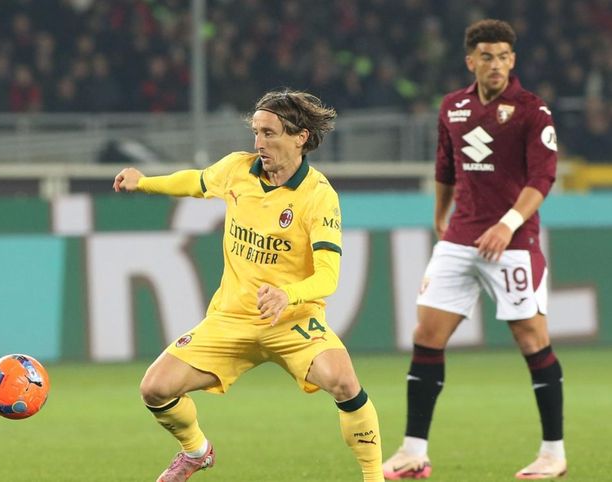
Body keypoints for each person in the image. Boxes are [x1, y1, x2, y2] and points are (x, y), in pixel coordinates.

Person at [113, 89, 384, 482]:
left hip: (292, 320)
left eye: (269, 133)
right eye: (256, 132)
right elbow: (196, 182)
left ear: (300, 137)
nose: (259, 143)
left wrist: (287, 294)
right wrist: (145, 182)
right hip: (232, 319)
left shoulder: (319, 197)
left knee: (343, 382)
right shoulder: (237, 169)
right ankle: (196, 451)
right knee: (154, 389)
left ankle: (374, 477)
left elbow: (328, 277)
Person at [382, 19, 566, 480]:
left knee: (532, 339)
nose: (496, 64)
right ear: (471, 61)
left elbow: (542, 178)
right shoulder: (453, 107)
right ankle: (413, 452)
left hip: (513, 242)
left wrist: (507, 224)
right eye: (487, 56)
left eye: (504, 56)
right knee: (427, 334)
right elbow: (445, 166)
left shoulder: (532, 110)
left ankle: (553, 453)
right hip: (461, 237)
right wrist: (439, 214)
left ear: (513, 60)